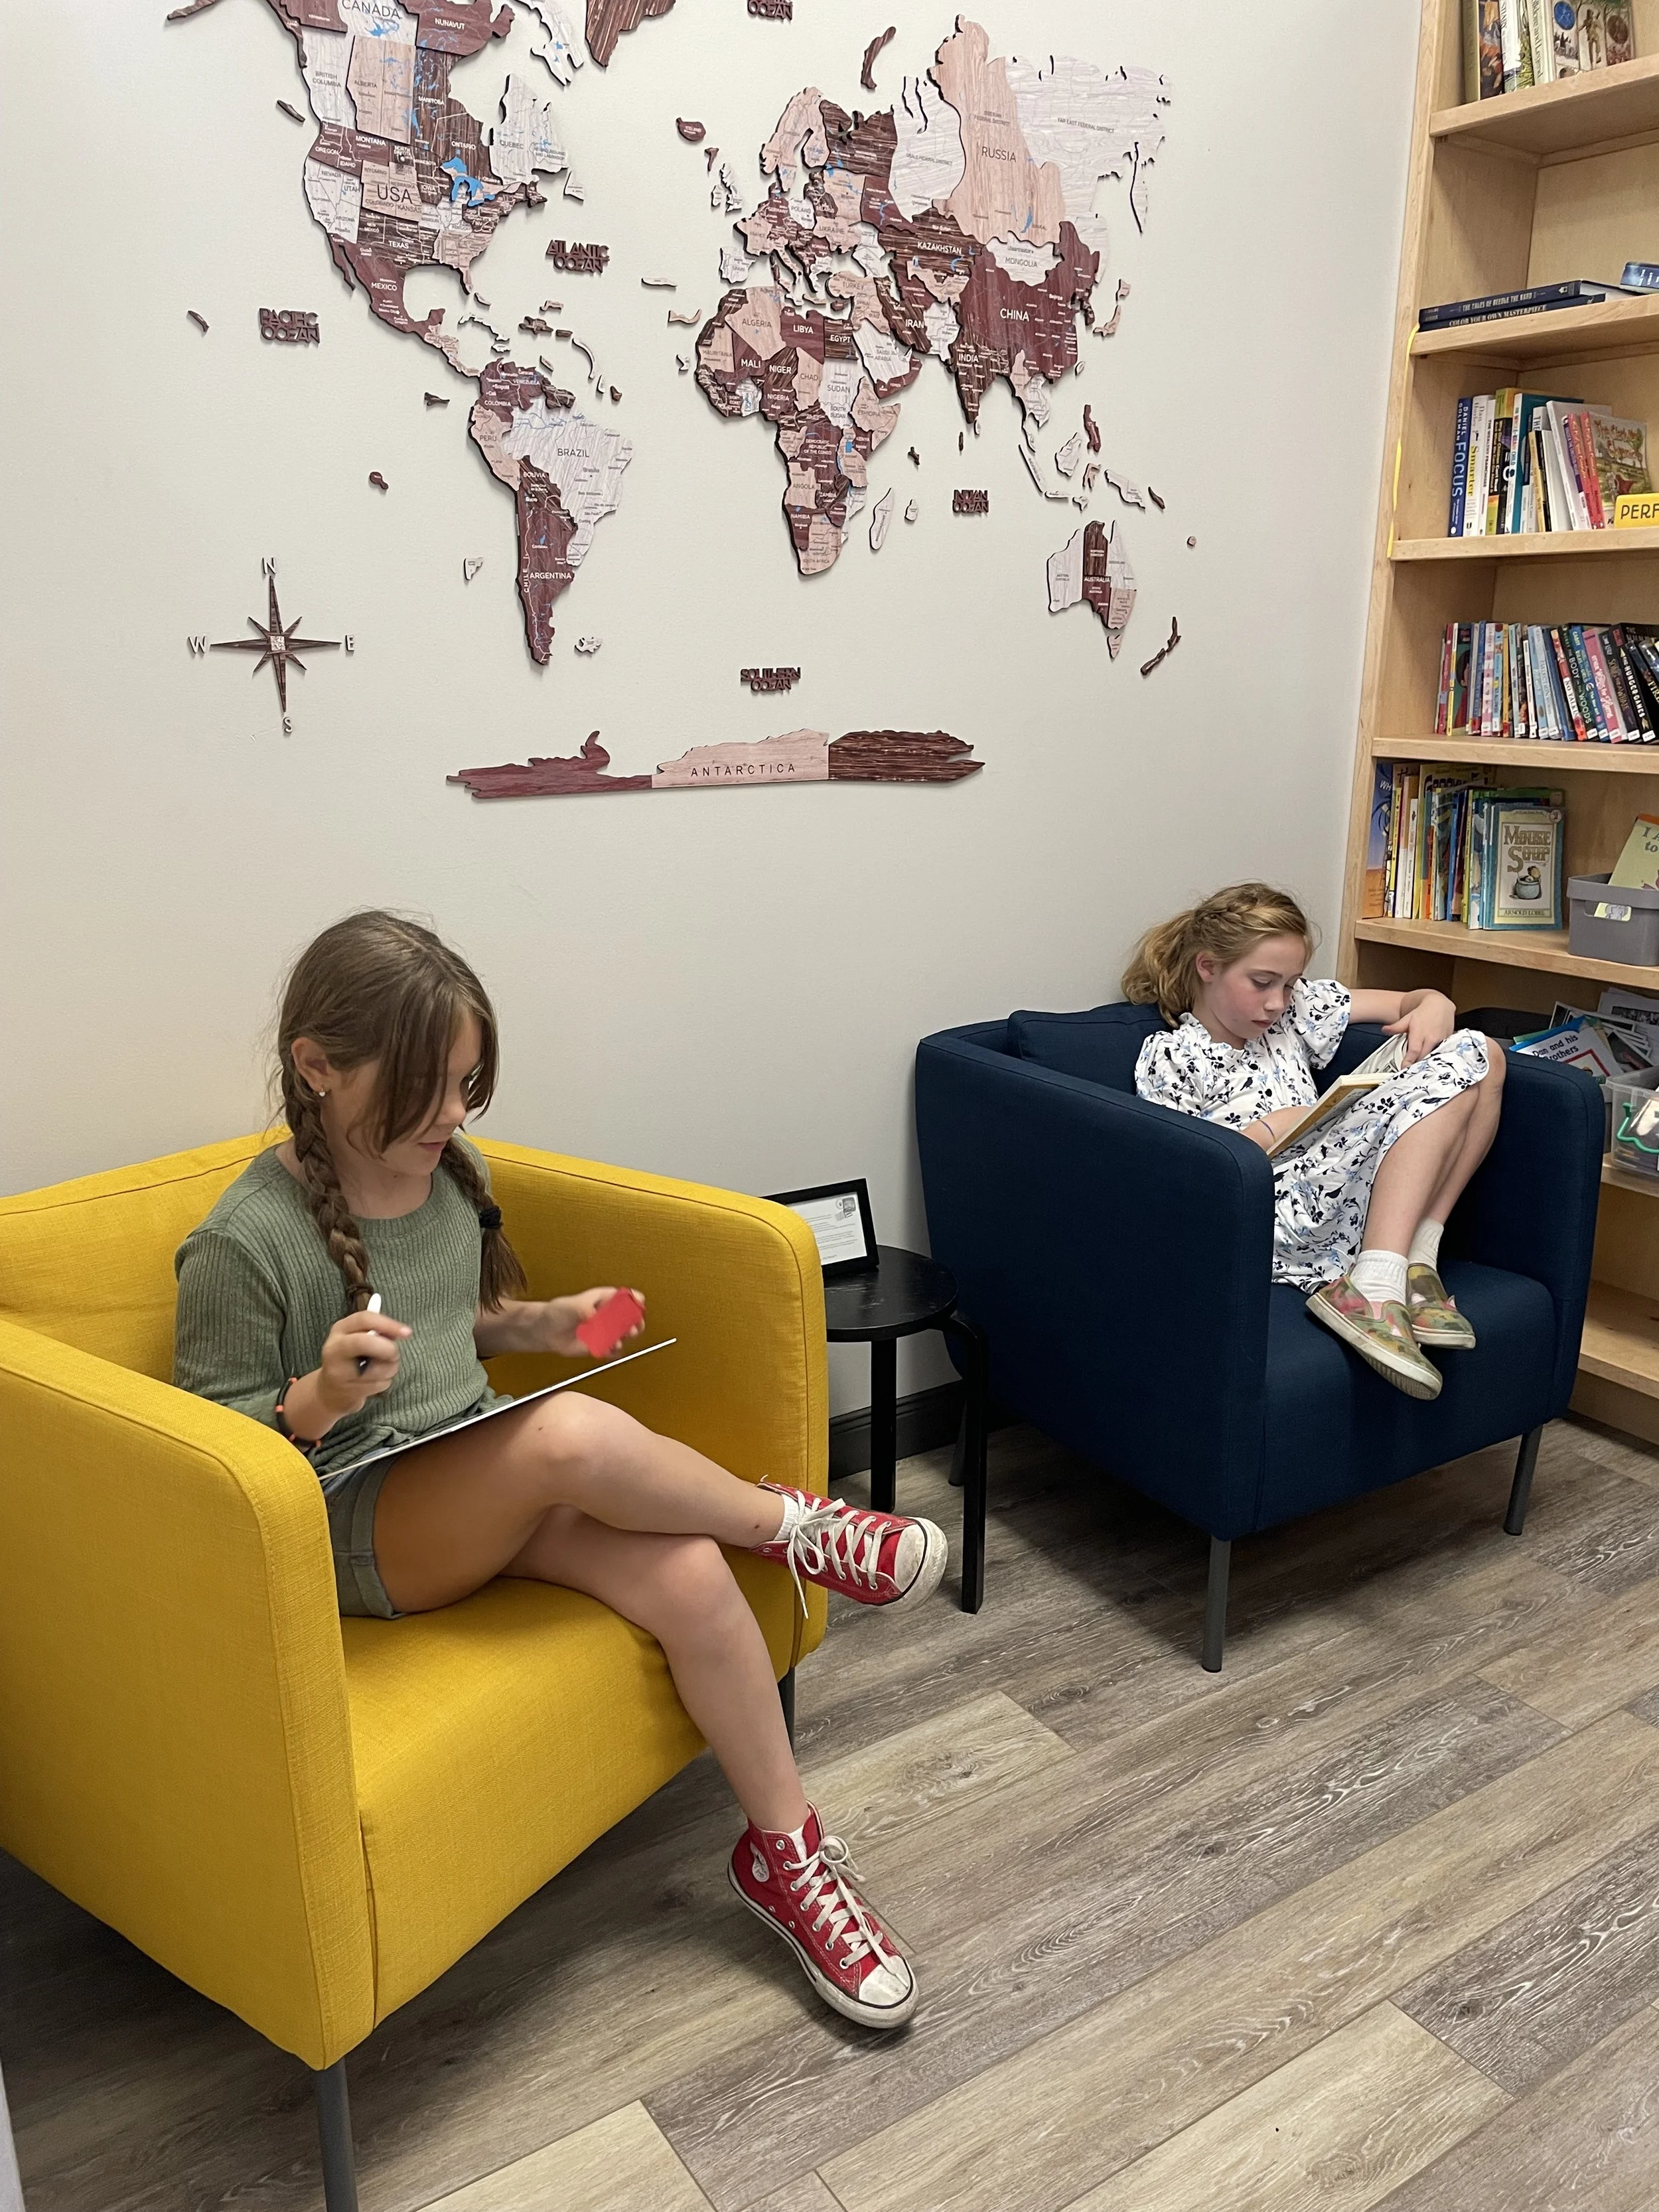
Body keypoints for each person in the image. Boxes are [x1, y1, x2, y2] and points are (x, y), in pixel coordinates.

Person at [173, 910, 948, 2031]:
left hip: (471, 1481)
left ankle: (788, 1856)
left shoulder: (447, 1173)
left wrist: (546, 1321)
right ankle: (799, 1526)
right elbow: (207, 1451)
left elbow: (455, 1328)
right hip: (359, 1530)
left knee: (689, 1573)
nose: (452, 1116)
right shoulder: (245, 1241)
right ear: (318, 1067)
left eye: (467, 1086)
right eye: (428, 1089)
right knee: (569, 1439)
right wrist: (316, 1397)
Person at [1125, 882, 1504, 1400]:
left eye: (1290, 983)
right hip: (1278, 1210)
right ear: (1207, 967)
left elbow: (1406, 1002)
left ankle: (1416, 1258)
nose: (1277, 1002)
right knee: (1462, 1066)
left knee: (1482, 1051)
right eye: (1261, 982)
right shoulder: (1174, 1056)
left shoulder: (1295, 1013)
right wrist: (1266, 1131)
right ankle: (1373, 1283)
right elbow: (1180, 1176)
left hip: (1340, 1178)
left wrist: (1435, 1001)